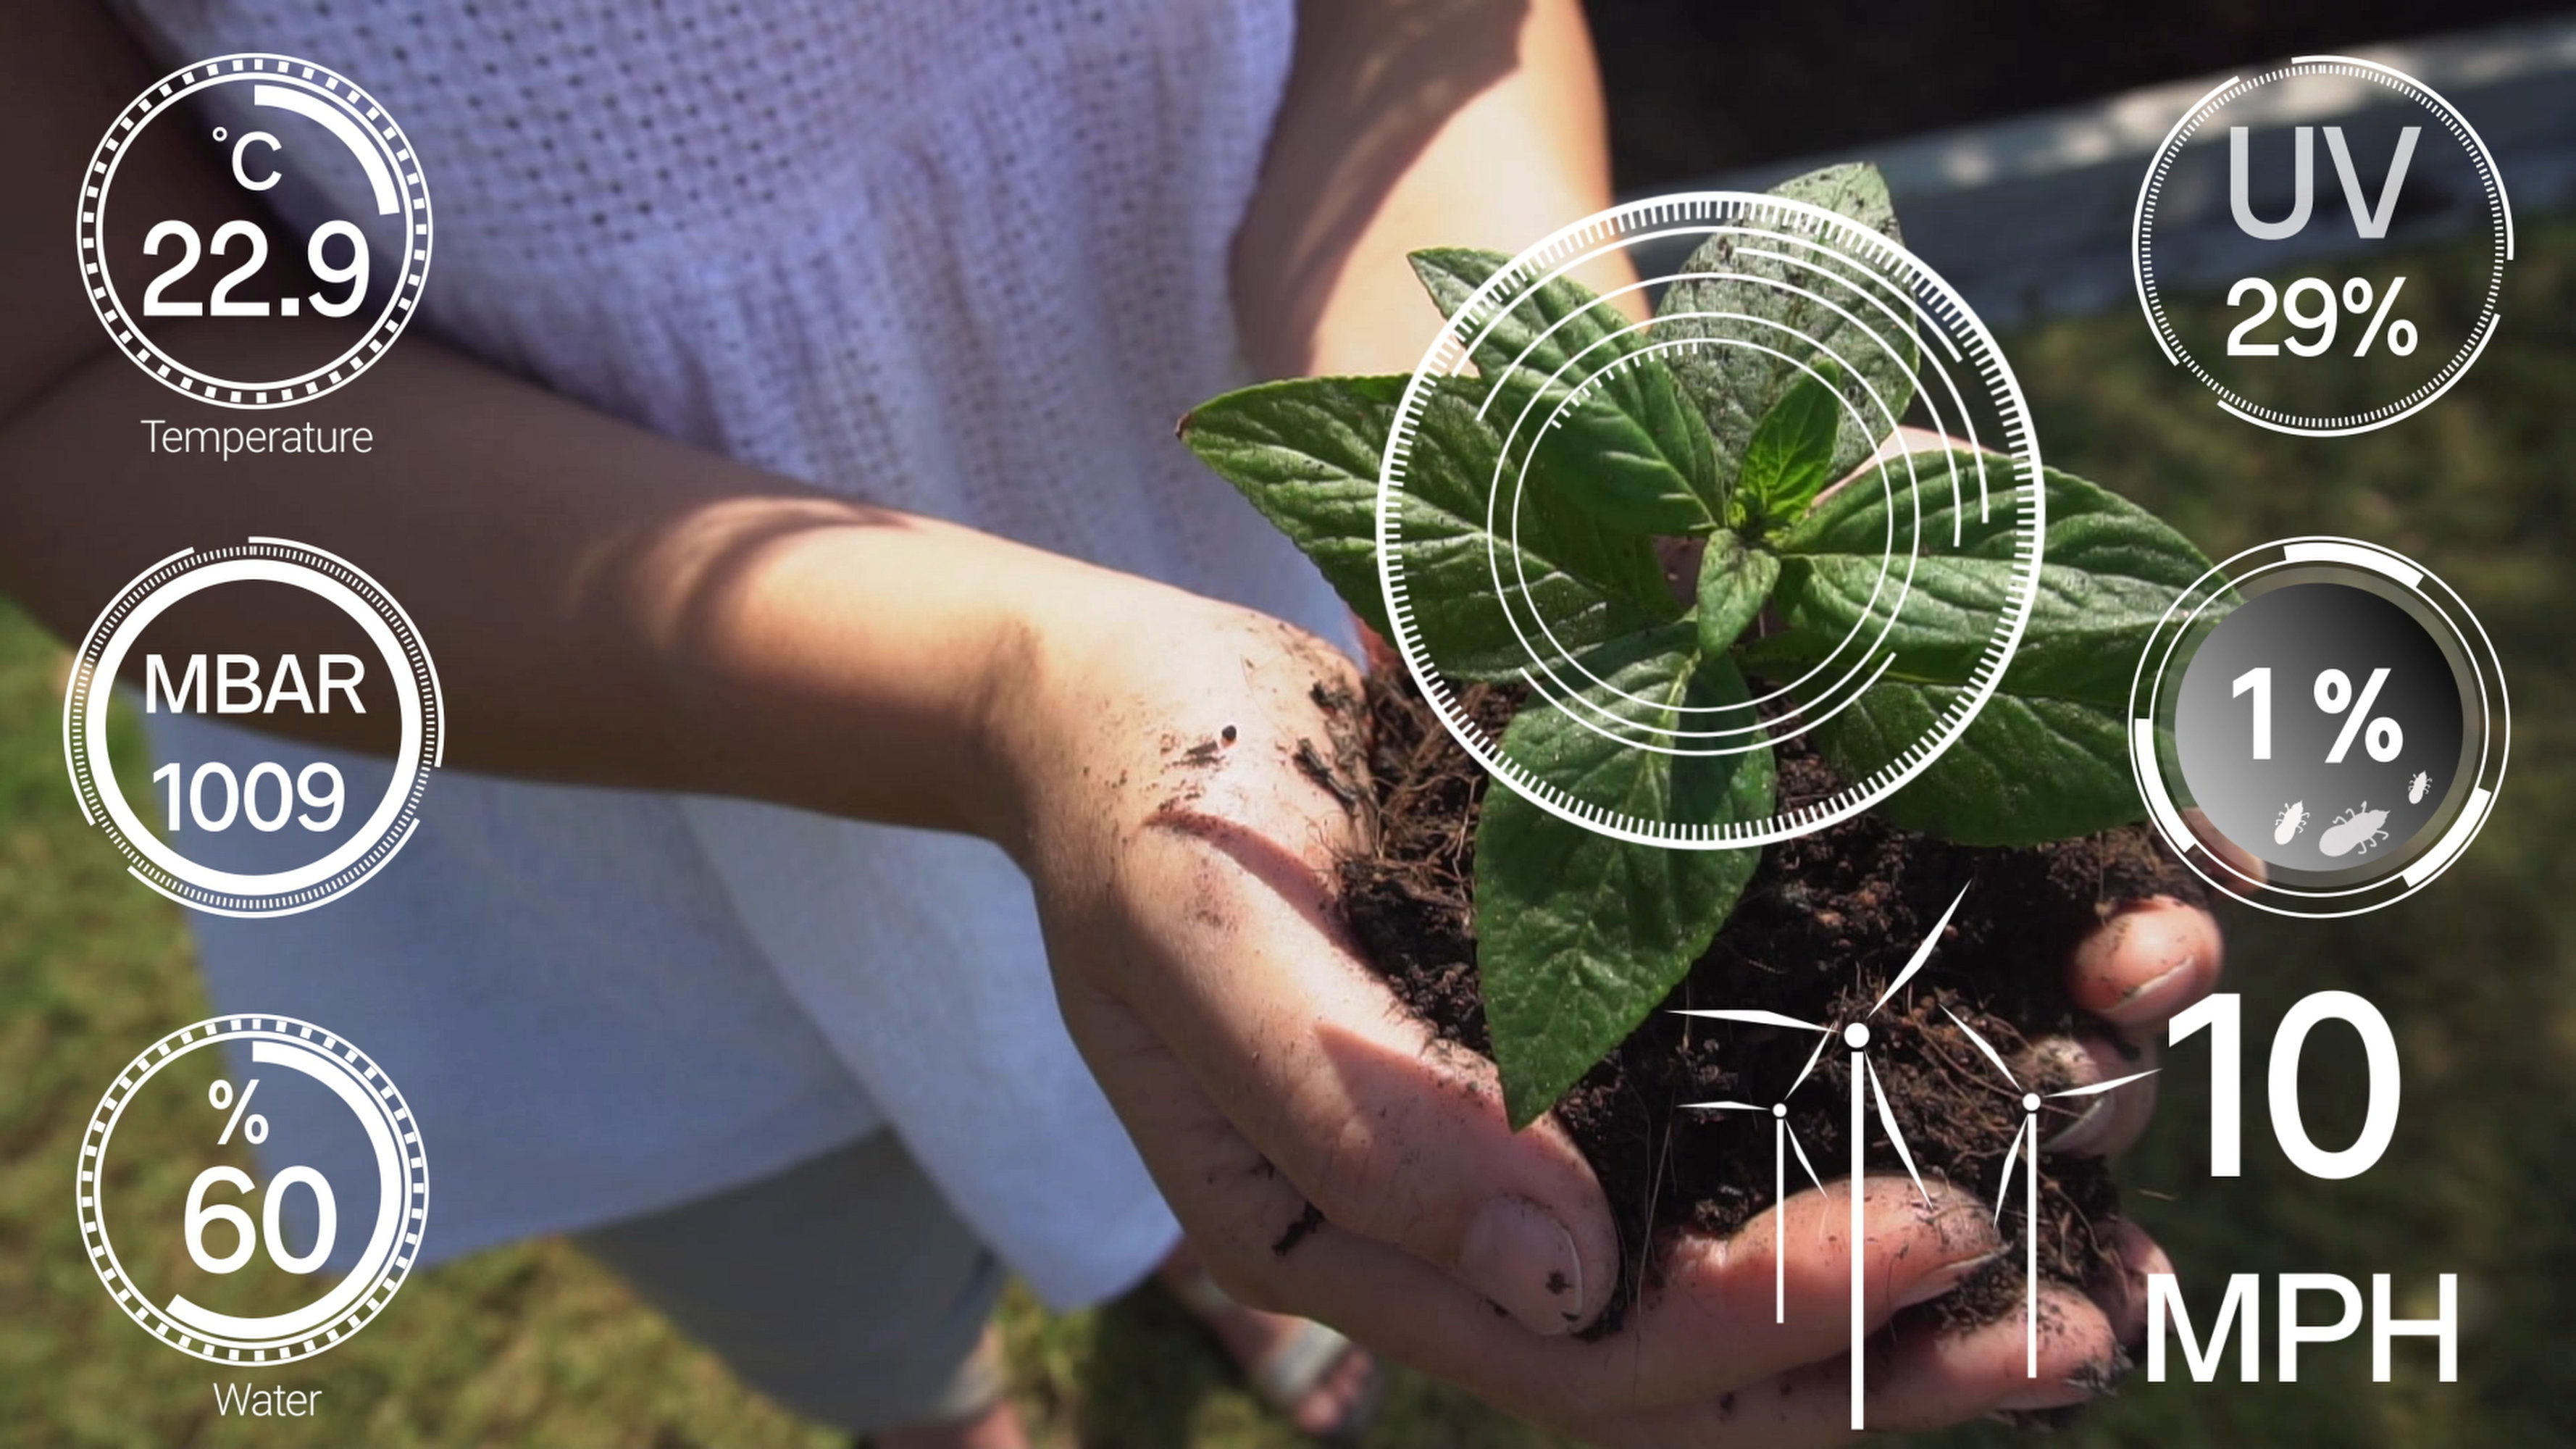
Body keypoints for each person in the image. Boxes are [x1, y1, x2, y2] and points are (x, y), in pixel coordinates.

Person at [0, 0, 2228, 1442]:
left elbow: (1422, 43)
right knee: (822, 1260)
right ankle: (937, 1405)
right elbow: (86, 379)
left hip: (1202, 650)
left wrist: (1540, 473)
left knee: (1245, 1059)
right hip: (549, 763)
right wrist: (996, 694)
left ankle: (1188, 1249)